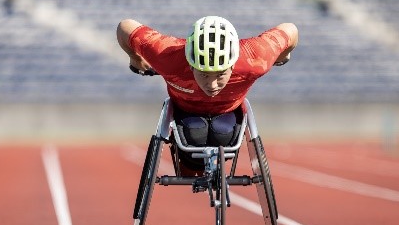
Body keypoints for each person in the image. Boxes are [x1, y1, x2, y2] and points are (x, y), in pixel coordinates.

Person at [117, 16, 298, 175]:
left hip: (228, 114)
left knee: (223, 134)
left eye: (220, 74)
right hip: (185, 112)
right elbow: (125, 26)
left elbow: (291, 30)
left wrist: (284, 53)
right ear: (189, 63)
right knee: (194, 133)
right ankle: (190, 164)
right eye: (203, 74)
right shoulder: (168, 55)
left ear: (233, 65)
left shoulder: (254, 58)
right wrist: (136, 58)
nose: (212, 85)